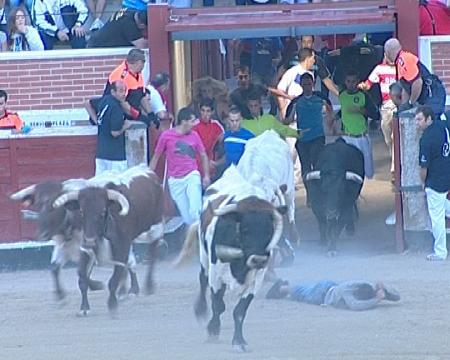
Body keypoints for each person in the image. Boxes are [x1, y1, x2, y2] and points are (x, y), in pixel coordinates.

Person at [150, 108, 210, 226]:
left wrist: (206, 176)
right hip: (175, 180)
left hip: (191, 175)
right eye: (192, 121)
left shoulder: (195, 135)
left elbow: (203, 155)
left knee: (195, 211)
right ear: (184, 122)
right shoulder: (166, 136)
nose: (195, 124)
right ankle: (194, 237)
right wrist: (148, 176)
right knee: (187, 218)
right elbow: (156, 157)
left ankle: (200, 240)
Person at [285, 73, 333, 203]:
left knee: (317, 167)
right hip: (302, 141)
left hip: (318, 138)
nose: (307, 87)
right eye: (304, 84)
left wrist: (330, 125)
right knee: (306, 169)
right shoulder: (296, 102)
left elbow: (330, 110)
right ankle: (310, 195)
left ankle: (318, 193)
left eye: (309, 84)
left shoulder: (320, 97)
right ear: (300, 85)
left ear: (313, 84)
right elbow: (287, 119)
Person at [416, 106, 450, 261]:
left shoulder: (426, 139)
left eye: (419, 119)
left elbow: (424, 168)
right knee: (444, 207)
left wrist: (423, 183)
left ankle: (440, 252)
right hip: (446, 175)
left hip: (435, 180)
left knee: (436, 217)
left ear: (428, 119)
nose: (417, 123)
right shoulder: (443, 127)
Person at [384, 38, 446, 120]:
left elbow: (417, 83)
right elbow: (406, 88)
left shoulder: (404, 59)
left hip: (432, 94)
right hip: (426, 97)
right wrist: (404, 107)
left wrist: (411, 102)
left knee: (431, 123)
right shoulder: (400, 62)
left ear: (388, 52)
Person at [359, 59, 397, 177]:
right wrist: (362, 86)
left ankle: (395, 164)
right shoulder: (379, 69)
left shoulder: (401, 67)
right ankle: (394, 157)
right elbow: (368, 84)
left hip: (397, 105)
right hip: (385, 106)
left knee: (394, 136)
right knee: (388, 138)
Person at [266, 279, 400, 311]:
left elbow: (396, 297)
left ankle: (284, 285)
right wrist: (376, 299)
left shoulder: (364, 285)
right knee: (304, 294)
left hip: (329, 285)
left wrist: (385, 289)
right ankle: (282, 289)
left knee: (306, 289)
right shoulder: (348, 294)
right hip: (323, 295)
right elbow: (355, 305)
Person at [339, 70, 378, 179]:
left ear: (357, 82)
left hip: (362, 137)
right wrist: (333, 118)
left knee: (367, 170)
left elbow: (376, 115)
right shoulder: (342, 95)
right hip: (347, 137)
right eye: (348, 81)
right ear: (345, 82)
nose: (351, 84)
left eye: (353, 81)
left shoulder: (364, 96)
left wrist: (362, 111)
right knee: (348, 167)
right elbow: (343, 110)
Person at [94, 81, 131, 175]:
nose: (124, 94)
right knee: (118, 184)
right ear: (113, 92)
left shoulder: (104, 100)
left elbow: (87, 104)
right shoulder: (116, 107)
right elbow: (114, 133)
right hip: (115, 156)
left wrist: (97, 121)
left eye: (125, 91)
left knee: (100, 185)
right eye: (121, 91)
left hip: (101, 153)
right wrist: (125, 126)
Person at [192, 98, 225, 180]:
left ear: (212, 112)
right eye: (203, 110)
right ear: (199, 111)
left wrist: (217, 162)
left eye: (208, 111)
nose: (205, 114)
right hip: (194, 168)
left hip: (210, 168)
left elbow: (225, 144)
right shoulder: (193, 125)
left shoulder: (216, 125)